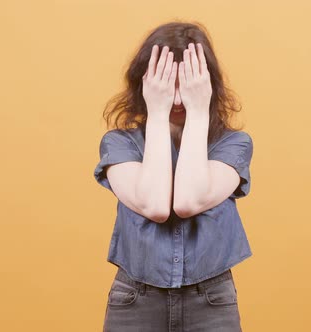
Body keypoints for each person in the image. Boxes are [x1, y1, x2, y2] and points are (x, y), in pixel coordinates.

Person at [94, 21, 254, 332]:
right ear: (145, 85)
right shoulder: (120, 144)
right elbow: (155, 205)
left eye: (189, 86)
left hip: (211, 301)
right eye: (168, 86)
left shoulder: (233, 145)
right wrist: (156, 113)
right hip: (134, 300)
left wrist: (198, 112)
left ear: (207, 87)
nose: (178, 99)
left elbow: (187, 201)